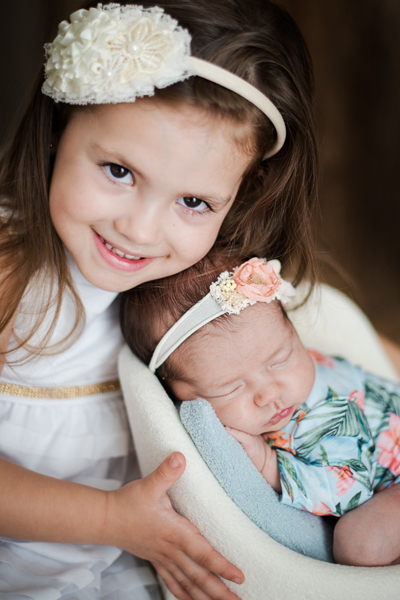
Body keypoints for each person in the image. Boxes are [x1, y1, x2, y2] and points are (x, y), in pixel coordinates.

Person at [0, 0, 324, 597]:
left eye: (193, 202)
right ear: (59, 127)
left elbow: (344, 339)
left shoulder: (204, 275)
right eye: (119, 171)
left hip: (128, 560)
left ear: (243, 191)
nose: (141, 231)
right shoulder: (10, 269)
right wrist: (111, 520)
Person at [121, 253, 400, 568]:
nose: (269, 394)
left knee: (360, 544)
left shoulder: (329, 413)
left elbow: (350, 491)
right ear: (178, 396)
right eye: (231, 388)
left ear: (294, 333)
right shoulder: (279, 366)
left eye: (280, 360)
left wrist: (272, 467)